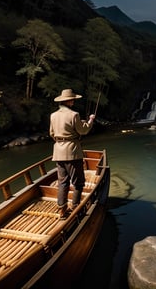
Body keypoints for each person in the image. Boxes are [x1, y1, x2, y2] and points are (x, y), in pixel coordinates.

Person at [50, 88, 96, 218]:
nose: (74, 101)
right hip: (72, 152)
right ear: (69, 101)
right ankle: (76, 208)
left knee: (63, 182)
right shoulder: (74, 115)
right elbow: (83, 131)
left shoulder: (53, 115)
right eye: (73, 99)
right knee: (78, 182)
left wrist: (60, 142)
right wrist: (90, 121)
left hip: (58, 152)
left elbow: (52, 133)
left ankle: (62, 211)